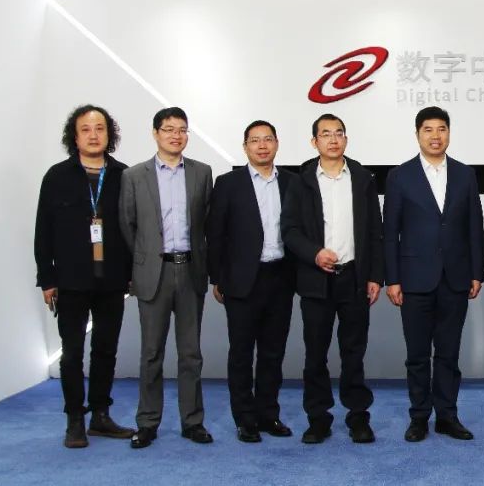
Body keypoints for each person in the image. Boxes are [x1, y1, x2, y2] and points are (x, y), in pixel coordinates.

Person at [35, 105, 135, 448]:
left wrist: (132, 273)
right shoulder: (57, 176)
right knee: (72, 353)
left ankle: (101, 416)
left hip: (113, 280)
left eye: (100, 128)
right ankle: (75, 420)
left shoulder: (123, 175)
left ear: (110, 134)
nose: (94, 135)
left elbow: (133, 228)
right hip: (71, 280)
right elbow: (43, 231)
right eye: (86, 129)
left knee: (106, 351)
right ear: (74, 136)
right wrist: (47, 279)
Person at [384, 106, 484, 442]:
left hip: (455, 277)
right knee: (417, 356)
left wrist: (477, 272)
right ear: (417, 135)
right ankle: (418, 418)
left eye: (441, 129)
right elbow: (390, 232)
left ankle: (447, 416)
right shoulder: (400, 176)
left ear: (449, 133)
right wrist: (392, 279)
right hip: (413, 279)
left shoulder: (465, 174)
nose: (435, 136)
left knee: (448, 353)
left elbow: (474, 226)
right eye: (428, 129)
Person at [281, 114, 383, 445]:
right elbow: (289, 230)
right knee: (315, 354)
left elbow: (375, 231)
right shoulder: (301, 181)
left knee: (354, 353)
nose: (333, 139)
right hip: (316, 279)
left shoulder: (363, 178)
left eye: (339, 133)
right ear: (315, 142)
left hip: (354, 278)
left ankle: (358, 417)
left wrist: (375, 276)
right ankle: (318, 419)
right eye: (325, 134)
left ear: (346, 139)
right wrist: (314, 253)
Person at [120, 106, 213, 448]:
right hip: (153, 274)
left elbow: (206, 223)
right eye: (169, 129)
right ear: (155, 133)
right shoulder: (134, 175)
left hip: (190, 271)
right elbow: (127, 226)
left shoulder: (202, 173)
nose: (176, 135)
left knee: (191, 353)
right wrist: (141, 264)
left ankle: (193, 422)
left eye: (182, 129)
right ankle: (147, 422)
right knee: (151, 353)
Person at [205, 120, 294, 443]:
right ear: (245, 147)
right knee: (241, 353)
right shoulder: (228, 183)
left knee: (273, 352)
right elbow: (215, 233)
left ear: (277, 143)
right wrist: (217, 277)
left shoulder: (292, 182)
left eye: (268, 139)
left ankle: (269, 414)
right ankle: (245, 419)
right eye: (255, 140)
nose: (262, 146)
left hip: (280, 277)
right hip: (242, 280)